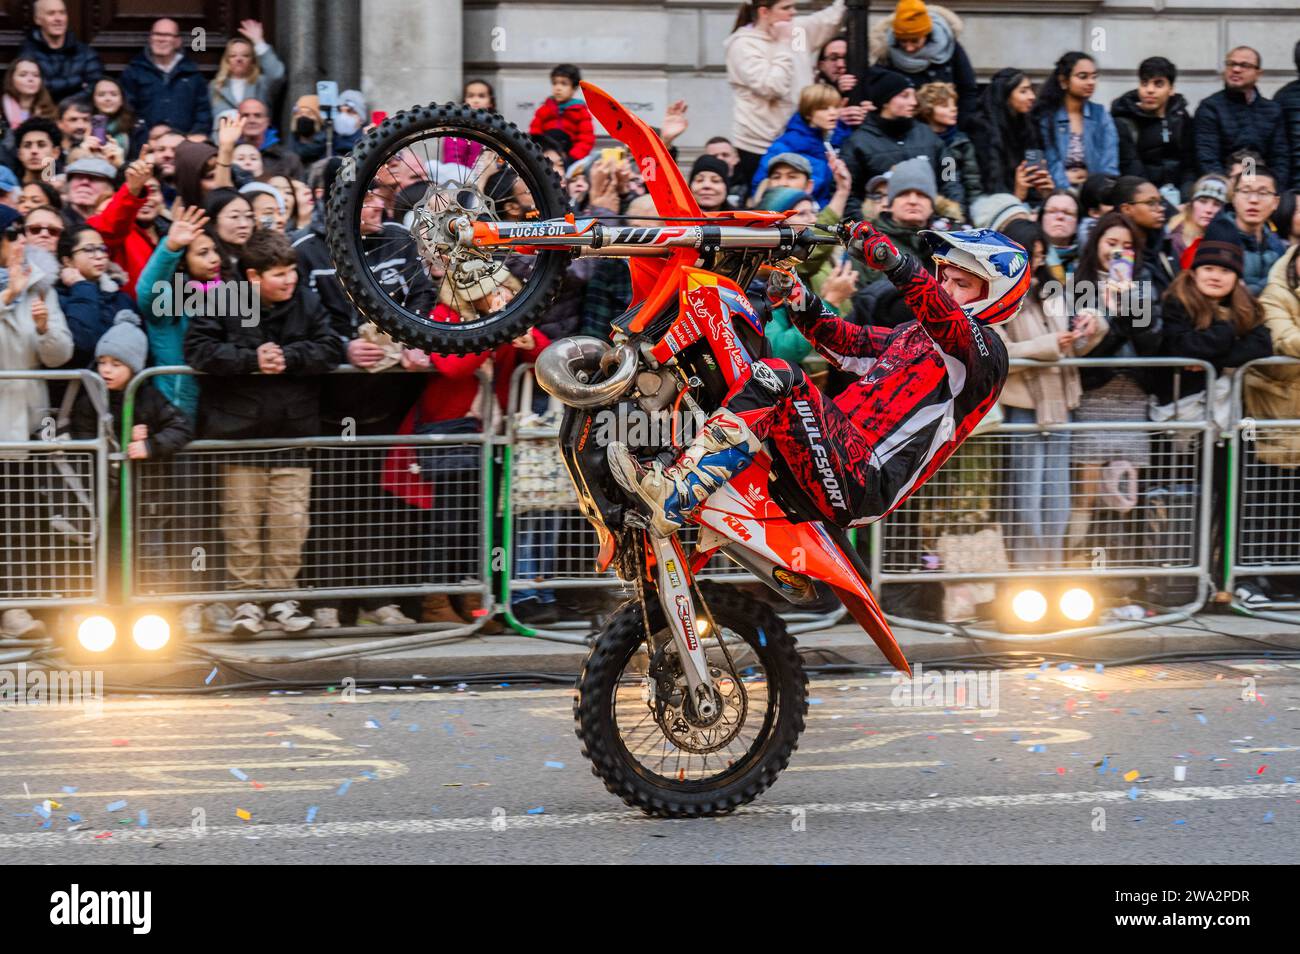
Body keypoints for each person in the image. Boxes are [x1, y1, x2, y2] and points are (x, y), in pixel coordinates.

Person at [608, 222, 1027, 536]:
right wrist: (800, 296)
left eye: (963, 283)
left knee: (779, 378)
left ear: (994, 296)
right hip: (831, 452)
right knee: (729, 374)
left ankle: (675, 496)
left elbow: (945, 317)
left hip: (867, 476)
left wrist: (895, 262)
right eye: (945, 277)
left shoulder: (985, 355)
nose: (947, 287)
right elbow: (847, 343)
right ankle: (661, 467)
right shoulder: (911, 336)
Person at [183, 229, 343, 636]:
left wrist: (289, 357)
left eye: (291, 271)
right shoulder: (221, 301)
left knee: (290, 521)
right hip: (240, 434)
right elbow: (198, 350)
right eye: (279, 274)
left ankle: (283, 600)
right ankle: (247, 601)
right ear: (253, 277)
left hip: (293, 432)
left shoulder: (307, 300)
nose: (289, 279)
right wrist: (249, 360)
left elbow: (330, 348)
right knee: (242, 522)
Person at [993, 218, 1107, 567]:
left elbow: (1075, 346)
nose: (1037, 264)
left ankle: (1052, 569)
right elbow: (998, 353)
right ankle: (1027, 571)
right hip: (1023, 407)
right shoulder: (994, 297)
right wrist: (1049, 345)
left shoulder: (1052, 292)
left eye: (1041, 256)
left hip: (1061, 404)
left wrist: (1092, 324)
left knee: (1058, 495)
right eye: (1031, 256)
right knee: (1026, 495)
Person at [1062, 210, 1164, 556]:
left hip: (1133, 397)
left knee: (1124, 491)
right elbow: (1081, 350)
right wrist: (1110, 316)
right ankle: (1074, 565)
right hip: (1094, 396)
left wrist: (1131, 305)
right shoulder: (1078, 283)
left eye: (1127, 245)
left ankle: (1119, 577)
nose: (1118, 251)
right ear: (1097, 244)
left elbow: (1154, 343)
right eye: (1111, 243)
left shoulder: (1145, 282)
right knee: (1087, 493)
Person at [724, 0, 846, 189]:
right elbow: (772, 86)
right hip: (761, 144)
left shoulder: (796, 32)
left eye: (793, 6)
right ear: (764, 12)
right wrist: (782, 43)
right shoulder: (743, 44)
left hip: (801, 136)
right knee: (772, 206)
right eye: (786, 8)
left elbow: (829, 20)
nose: (793, 12)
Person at [1153, 230, 1269, 407]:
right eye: (1208, 269)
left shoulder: (1244, 305)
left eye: (1225, 271)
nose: (1215, 277)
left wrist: (1214, 360)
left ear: (1237, 278)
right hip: (1179, 403)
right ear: (1194, 273)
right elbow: (1184, 346)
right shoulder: (1176, 301)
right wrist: (1230, 330)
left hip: (1227, 405)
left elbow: (1262, 345)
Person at [841, 70, 961, 217]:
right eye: (905, 96)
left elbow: (950, 175)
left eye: (913, 96)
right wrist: (864, 228)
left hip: (929, 225)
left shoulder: (928, 135)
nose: (914, 102)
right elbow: (848, 193)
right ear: (885, 101)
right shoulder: (857, 143)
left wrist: (953, 214)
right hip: (880, 230)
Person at [134, 203, 214, 419]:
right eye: (203, 253)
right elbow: (146, 291)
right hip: (174, 413)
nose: (214, 259)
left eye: (216, 251)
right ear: (182, 263)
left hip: (219, 411)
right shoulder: (172, 300)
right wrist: (170, 247)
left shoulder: (230, 294)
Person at [1193, 46, 1290, 187]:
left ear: (1258, 73)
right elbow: (1206, 158)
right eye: (1231, 64)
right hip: (1222, 188)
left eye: (1244, 65)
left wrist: (1269, 188)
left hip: (1264, 188)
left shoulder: (1272, 110)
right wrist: (1230, 186)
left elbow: (1280, 159)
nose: (1236, 69)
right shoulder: (1210, 107)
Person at [870, 1, 978, 123]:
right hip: (906, 129)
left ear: (927, 35)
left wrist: (963, 125)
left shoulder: (950, 47)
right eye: (902, 41)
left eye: (915, 41)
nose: (909, 48)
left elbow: (967, 89)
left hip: (947, 126)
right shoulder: (885, 54)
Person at [1111, 56, 1196, 198]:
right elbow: (1132, 170)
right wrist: (1161, 204)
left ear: (1171, 89)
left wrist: (1186, 199)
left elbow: (1189, 165)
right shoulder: (1125, 121)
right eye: (1144, 83)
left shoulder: (1181, 117)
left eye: (1158, 84)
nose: (1150, 90)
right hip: (1142, 199)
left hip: (1179, 197)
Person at [752, 84, 850, 205]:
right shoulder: (785, 145)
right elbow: (761, 186)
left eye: (836, 107)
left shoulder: (838, 140)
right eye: (824, 108)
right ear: (808, 113)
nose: (833, 113)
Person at [1034, 51, 1119, 189]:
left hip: (1093, 194)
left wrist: (1097, 191)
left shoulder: (1101, 114)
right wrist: (1064, 187)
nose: (1091, 82)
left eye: (1094, 77)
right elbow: (1047, 162)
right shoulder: (1046, 117)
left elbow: (1109, 163)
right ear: (1063, 81)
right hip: (1056, 193)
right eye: (1083, 77)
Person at [965, 68, 1049, 200]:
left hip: (1026, 201)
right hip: (994, 203)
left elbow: (1035, 176)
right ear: (1005, 96)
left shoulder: (1028, 124)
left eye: (1031, 89)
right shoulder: (981, 128)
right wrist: (1017, 195)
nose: (1032, 96)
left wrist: (1043, 190)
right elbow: (991, 183)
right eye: (1023, 91)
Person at [85, 154, 162, 298]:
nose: (146, 198)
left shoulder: (171, 232)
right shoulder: (115, 229)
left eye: (153, 190)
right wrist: (132, 192)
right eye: (141, 191)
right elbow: (109, 229)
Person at [121, 18, 213, 135]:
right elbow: (127, 111)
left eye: (168, 35)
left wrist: (194, 137)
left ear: (178, 41)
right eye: (157, 34)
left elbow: (203, 113)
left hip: (185, 145)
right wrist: (141, 132)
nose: (161, 39)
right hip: (145, 144)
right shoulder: (134, 71)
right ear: (150, 38)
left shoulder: (193, 74)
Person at [916, 81, 981, 218]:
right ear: (928, 110)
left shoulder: (960, 143)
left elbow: (970, 181)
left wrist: (968, 213)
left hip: (956, 209)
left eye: (953, 104)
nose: (953, 109)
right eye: (945, 106)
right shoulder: (917, 140)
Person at [1219, 165, 1286, 295]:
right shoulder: (1217, 236)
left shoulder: (1278, 247)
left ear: (1276, 203)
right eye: (1245, 191)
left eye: (1263, 193)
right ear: (1233, 197)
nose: (1253, 200)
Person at [16, 0, 101, 102]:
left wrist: (66, 106)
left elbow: (95, 87)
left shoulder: (85, 52)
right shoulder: (28, 52)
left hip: (77, 113)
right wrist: (78, 83)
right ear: (37, 19)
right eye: (51, 13)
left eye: (62, 13)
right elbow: (28, 86)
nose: (58, 19)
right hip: (41, 112)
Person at [1111, 175, 1178, 296]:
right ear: (1126, 209)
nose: (1161, 208)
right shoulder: (1118, 250)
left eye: (1160, 202)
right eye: (1151, 203)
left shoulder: (1164, 243)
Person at [209, 20, 284, 125]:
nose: (239, 59)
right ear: (227, 61)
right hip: (222, 140)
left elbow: (277, 75)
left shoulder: (261, 83)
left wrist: (259, 42)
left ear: (252, 60)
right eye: (233, 55)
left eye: (245, 55)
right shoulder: (215, 86)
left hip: (256, 139)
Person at [528, 64, 594, 162]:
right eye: (555, 83)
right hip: (545, 156)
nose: (558, 88)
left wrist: (572, 158)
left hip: (570, 157)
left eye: (564, 84)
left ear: (574, 88)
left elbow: (586, 139)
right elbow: (535, 133)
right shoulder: (544, 109)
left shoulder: (581, 112)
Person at [1169, 174, 1229, 262]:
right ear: (1191, 204)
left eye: (1217, 204)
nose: (1209, 210)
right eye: (1203, 202)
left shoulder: (1228, 239)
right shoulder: (1174, 241)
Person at [91, 77, 147, 160]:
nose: (108, 99)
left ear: (122, 100)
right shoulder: (83, 123)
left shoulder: (136, 126)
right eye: (101, 95)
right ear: (93, 100)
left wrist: (120, 164)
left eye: (114, 94)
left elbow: (140, 161)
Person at [60, 156, 116, 228]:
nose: (85, 182)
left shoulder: (117, 225)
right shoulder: (55, 222)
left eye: (95, 178)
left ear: (110, 189)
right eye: (78, 177)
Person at [2, 57, 58, 128]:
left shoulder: (50, 111)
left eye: (36, 75)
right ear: (11, 79)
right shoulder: (2, 109)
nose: (31, 79)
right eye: (23, 75)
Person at [1038, 188, 1080, 281]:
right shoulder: (1030, 258)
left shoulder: (1087, 260)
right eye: (1052, 211)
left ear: (1078, 222)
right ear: (1041, 219)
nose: (1060, 217)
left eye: (1068, 213)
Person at [13, 116, 63, 184]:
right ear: (19, 154)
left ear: (55, 153)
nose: (34, 151)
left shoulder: (67, 189)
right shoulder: (8, 190)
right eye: (27, 146)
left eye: (41, 145)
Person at [1277, 41, 1300, 189]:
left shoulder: (1282, 97)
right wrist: (1249, 181)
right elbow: (1250, 152)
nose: (1237, 70)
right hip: (1293, 191)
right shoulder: (1284, 99)